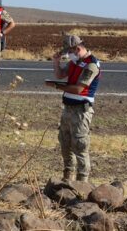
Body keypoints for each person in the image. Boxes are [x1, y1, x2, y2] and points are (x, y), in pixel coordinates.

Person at [44, 35, 101, 182]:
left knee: (80, 146)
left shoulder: (91, 65)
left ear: (78, 48)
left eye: (69, 52)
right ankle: (67, 178)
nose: (68, 55)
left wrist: (56, 85)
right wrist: (56, 62)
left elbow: (78, 89)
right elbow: (60, 74)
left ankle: (82, 182)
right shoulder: (75, 62)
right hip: (68, 109)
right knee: (65, 143)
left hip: (81, 111)